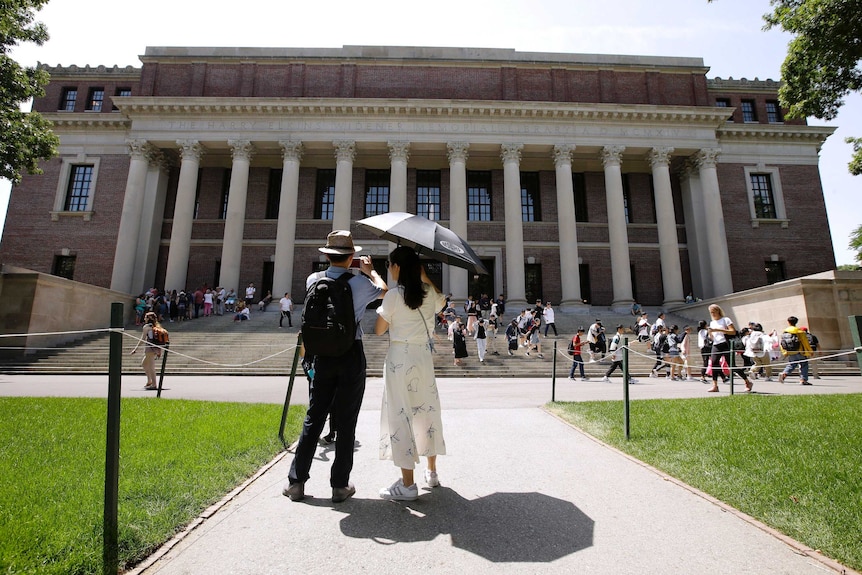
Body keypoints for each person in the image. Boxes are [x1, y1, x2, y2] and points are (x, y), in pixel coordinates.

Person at [283, 230, 387, 503]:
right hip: (350, 352)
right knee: (346, 420)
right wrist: (371, 271)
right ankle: (339, 485)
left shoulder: (313, 279)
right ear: (351, 257)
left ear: (326, 255)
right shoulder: (360, 283)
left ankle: (296, 483)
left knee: (314, 416)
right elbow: (384, 292)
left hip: (321, 355)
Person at [374, 246, 446, 501]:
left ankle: (407, 485)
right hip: (422, 358)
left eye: (391, 265)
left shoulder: (393, 295)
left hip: (399, 359)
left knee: (401, 414)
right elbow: (442, 302)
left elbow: (380, 330)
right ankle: (432, 471)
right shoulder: (428, 293)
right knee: (426, 411)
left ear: (398, 268)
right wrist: (425, 276)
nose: (389, 269)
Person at [707, 304, 753, 393]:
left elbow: (733, 331)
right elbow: (713, 336)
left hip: (726, 344)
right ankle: (715, 385)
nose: (712, 314)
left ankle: (747, 381)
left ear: (718, 311)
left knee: (732, 365)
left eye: (714, 312)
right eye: (711, 312)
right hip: (716, 344)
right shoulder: (712, 322)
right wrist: (710, 333)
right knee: (714, 363)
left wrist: (718, 330)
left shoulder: (725, 319)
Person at [130, 311, 162, 390]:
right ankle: (149, 381)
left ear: (149, 318)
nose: (144, 318)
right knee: (144, 364)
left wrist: (135, 349)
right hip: (155, 348)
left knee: (151, 366)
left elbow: (143, 339)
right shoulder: (157, 326)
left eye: (145, 317)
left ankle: (154, 384)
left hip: (149, 348)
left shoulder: (146, 327)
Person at [778, 316, 814, 385]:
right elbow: (805, 342)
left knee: (792, 364)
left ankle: (784, 373)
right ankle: (803, 379)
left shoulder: (785, 332)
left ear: (788, 322)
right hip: (799, 351)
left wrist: (784, 352)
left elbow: (782, 343)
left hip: (790, 351)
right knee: (804, 365)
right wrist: (810, 351)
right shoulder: (800, 331)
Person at [696, 319, 712, 383]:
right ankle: (702, 376)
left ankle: (723, 376)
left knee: (706, 362)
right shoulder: (705, 331)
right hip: (706, 348)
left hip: (703, 348)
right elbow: (709, 338)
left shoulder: (700, 331)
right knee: (705, 363)